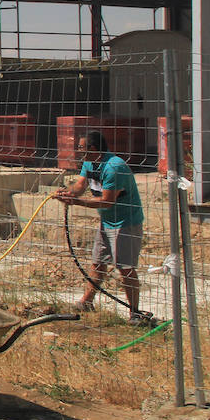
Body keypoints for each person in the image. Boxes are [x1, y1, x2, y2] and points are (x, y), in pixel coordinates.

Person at [55, 130, 148, 323]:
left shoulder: (114, 168)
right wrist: (69, 194)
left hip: (125, 223)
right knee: (98, 263)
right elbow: (80, 186)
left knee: (125, 267)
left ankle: (135, 313)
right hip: (107, 222)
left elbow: (107, 201)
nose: (78, 151)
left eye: (81, 148)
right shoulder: (89, 163)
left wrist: (77, 203)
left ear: (93, 148)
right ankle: (86, 301)